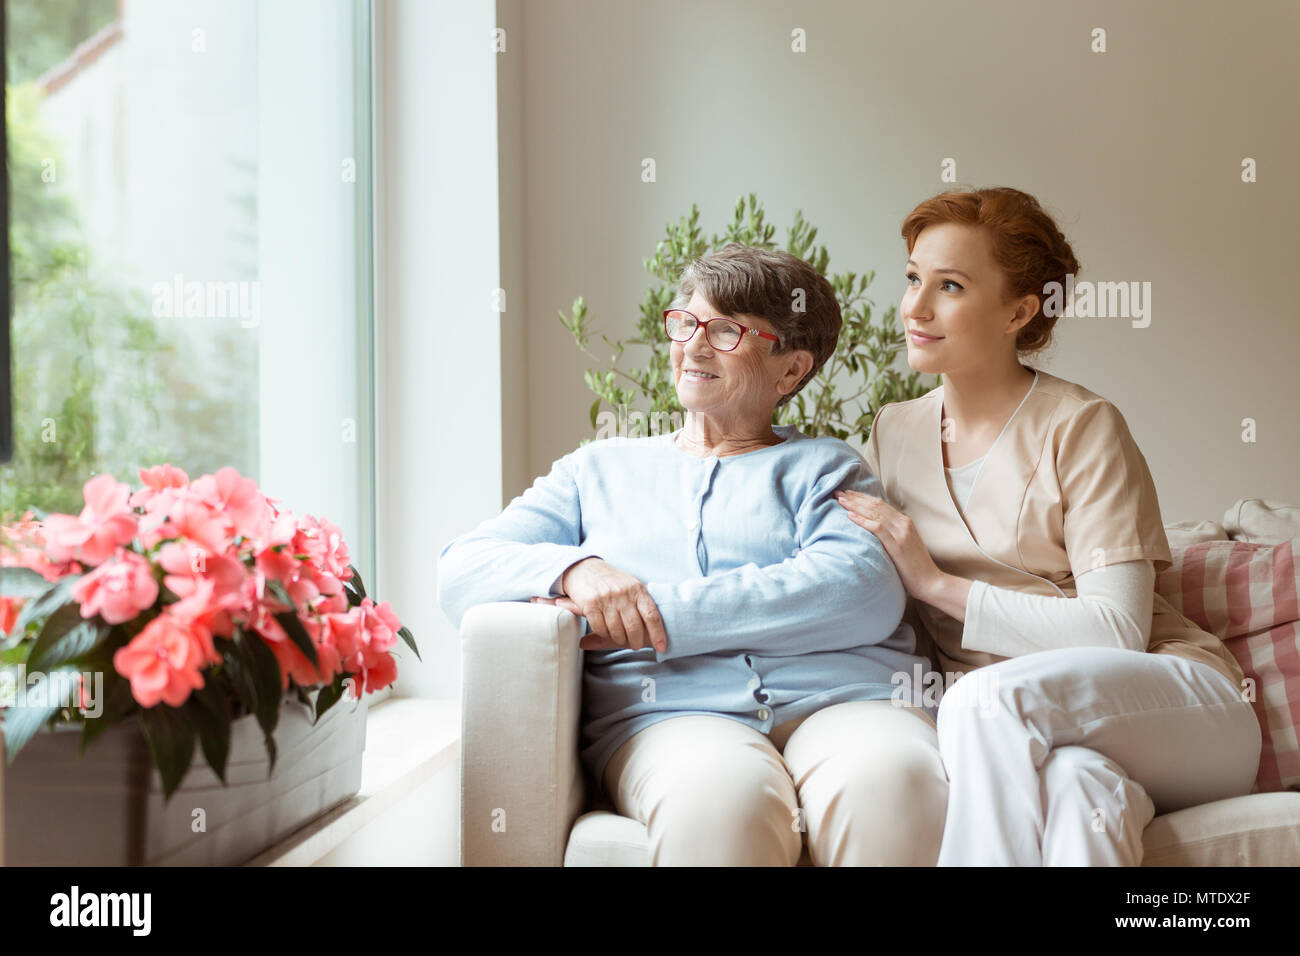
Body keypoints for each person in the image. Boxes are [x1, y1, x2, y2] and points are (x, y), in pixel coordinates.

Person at [437, 243, 948, 865]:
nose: (694, 346)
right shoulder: (597, 470)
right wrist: (575, 568)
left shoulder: (827, 465)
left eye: (727, 331)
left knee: (894, 781)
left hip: (848, 701)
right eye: (686, 322)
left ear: (791, 370)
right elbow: (462, 568)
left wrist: (652, 613)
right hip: (673, 716)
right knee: (721, 801)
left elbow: (857, 593)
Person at [836, 186, 1261, 865]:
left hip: (1177, 708)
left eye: (949, 286)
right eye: (913, 278)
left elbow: (1117, 632)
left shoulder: (1083, 427)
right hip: (1047, 736)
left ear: (1018, 311)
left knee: (976, 704)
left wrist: (936, 583)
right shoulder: (894, 430)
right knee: (1077, 795)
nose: (915, 307)